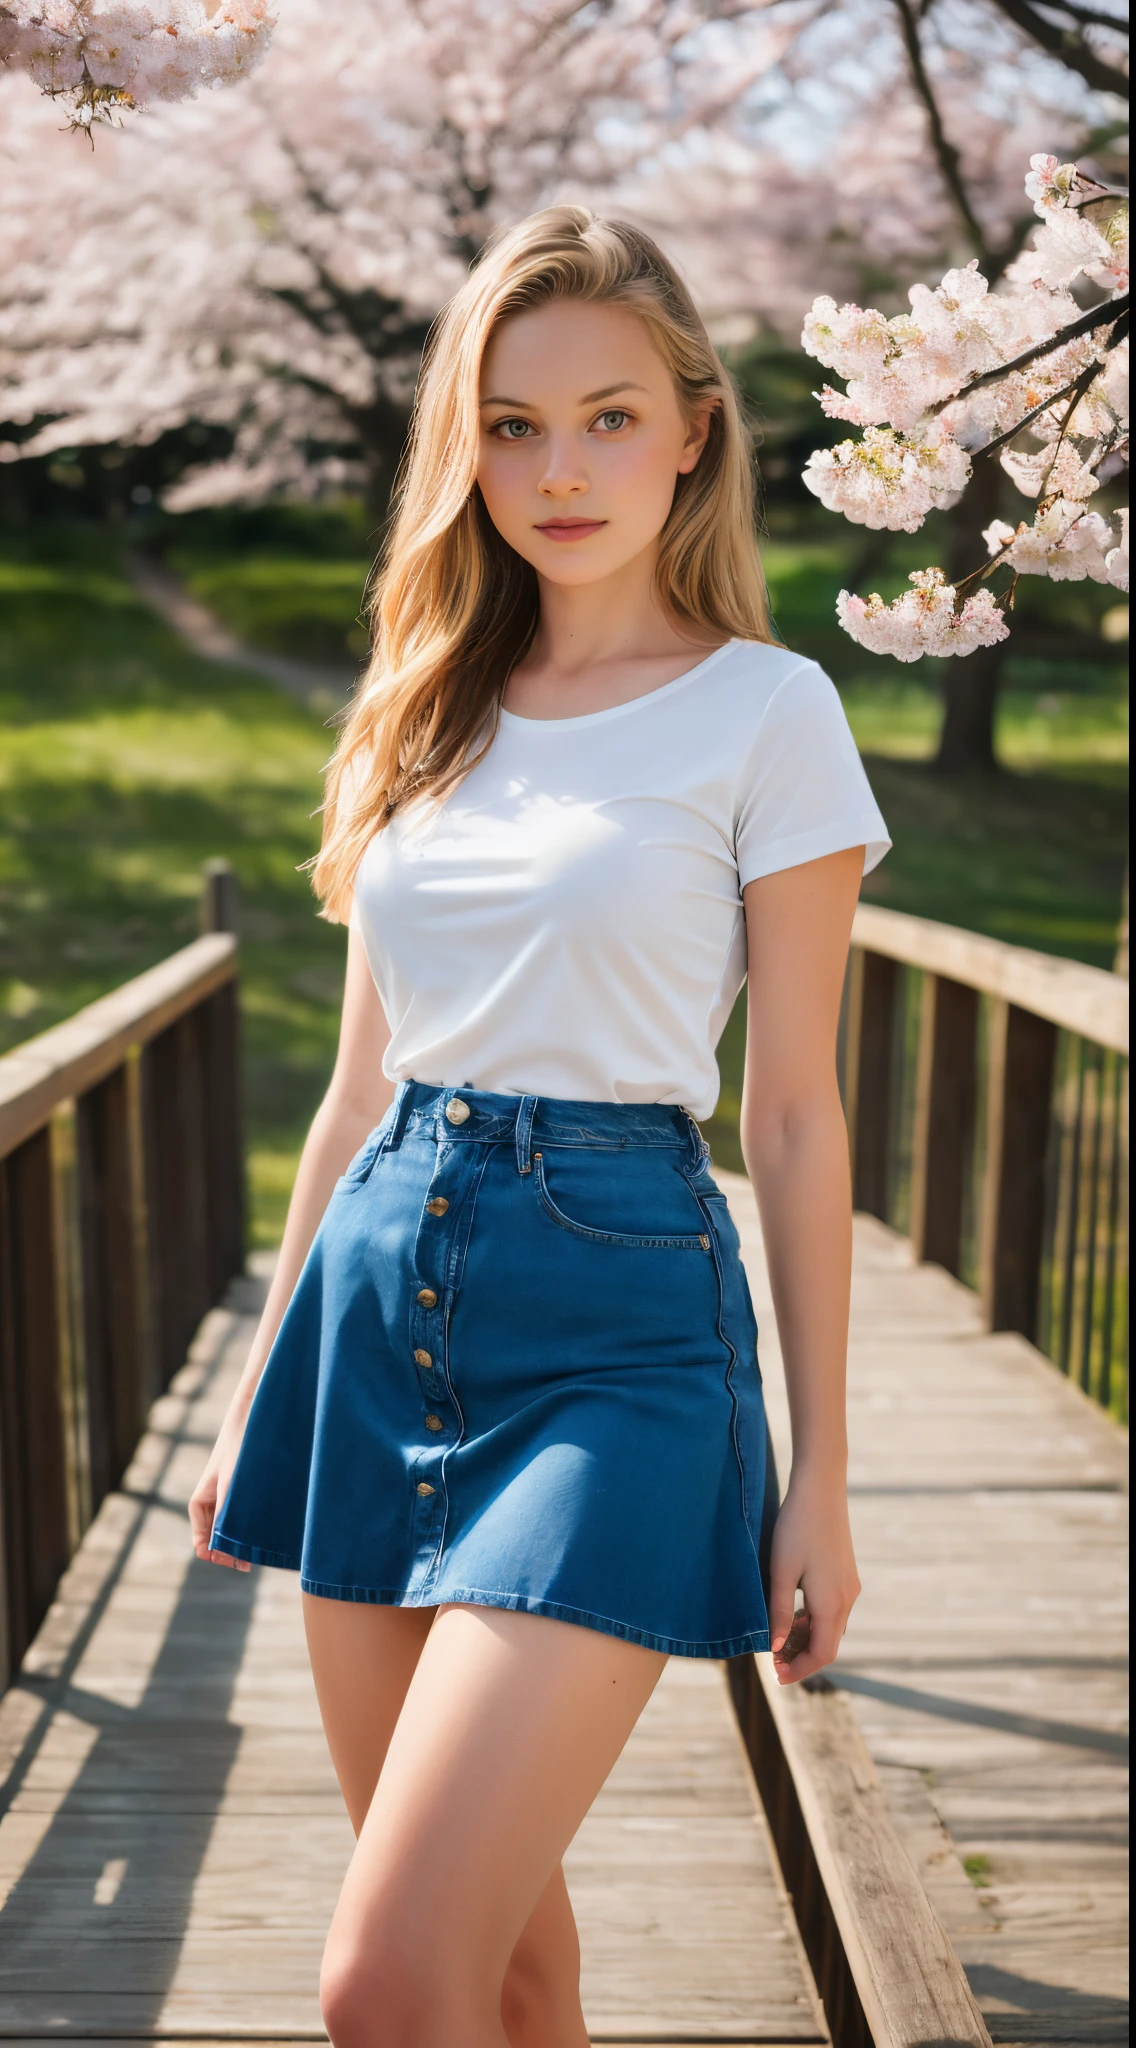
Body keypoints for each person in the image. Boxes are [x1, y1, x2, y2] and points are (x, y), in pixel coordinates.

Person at [189, 206, 889, 2048]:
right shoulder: (421, 708)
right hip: (370, 1314)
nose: (557, 469)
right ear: (463, 443)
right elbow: (355, 1088)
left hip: (619, 1335)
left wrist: (820, 1470)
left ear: (694, 429)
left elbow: (800, 1119)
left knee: (383, 1981)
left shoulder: (771, 714)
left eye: (604, 417)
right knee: (502, 1973)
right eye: (509, 425)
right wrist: (269, 1374)